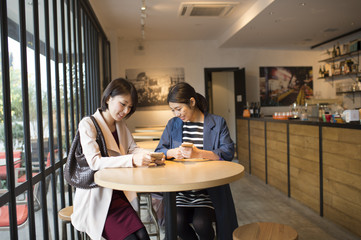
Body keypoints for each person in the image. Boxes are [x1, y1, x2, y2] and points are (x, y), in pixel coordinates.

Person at [71, 78, 164, 240]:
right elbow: (95, 162)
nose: (126, 111)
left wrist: (150, 156)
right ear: (108, 98)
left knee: (144, 236)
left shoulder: (120, 124)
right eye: (123, 104)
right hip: (97, 199)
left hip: (118, 196)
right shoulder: (88, 124)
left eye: (130, 107)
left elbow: (132, 149)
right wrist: (132, 160)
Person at [155, 82, 238, 240]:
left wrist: (200, 154)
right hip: (180, 188)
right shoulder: (173, 124)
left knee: (202, 223)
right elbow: (159, 151)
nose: (176, 114)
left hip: (208, 188)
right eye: (173, 110)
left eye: (179, 109)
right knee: (176, 222)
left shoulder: (217, 123)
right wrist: (172, 152)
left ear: (192, 102)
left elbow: (228, 152)